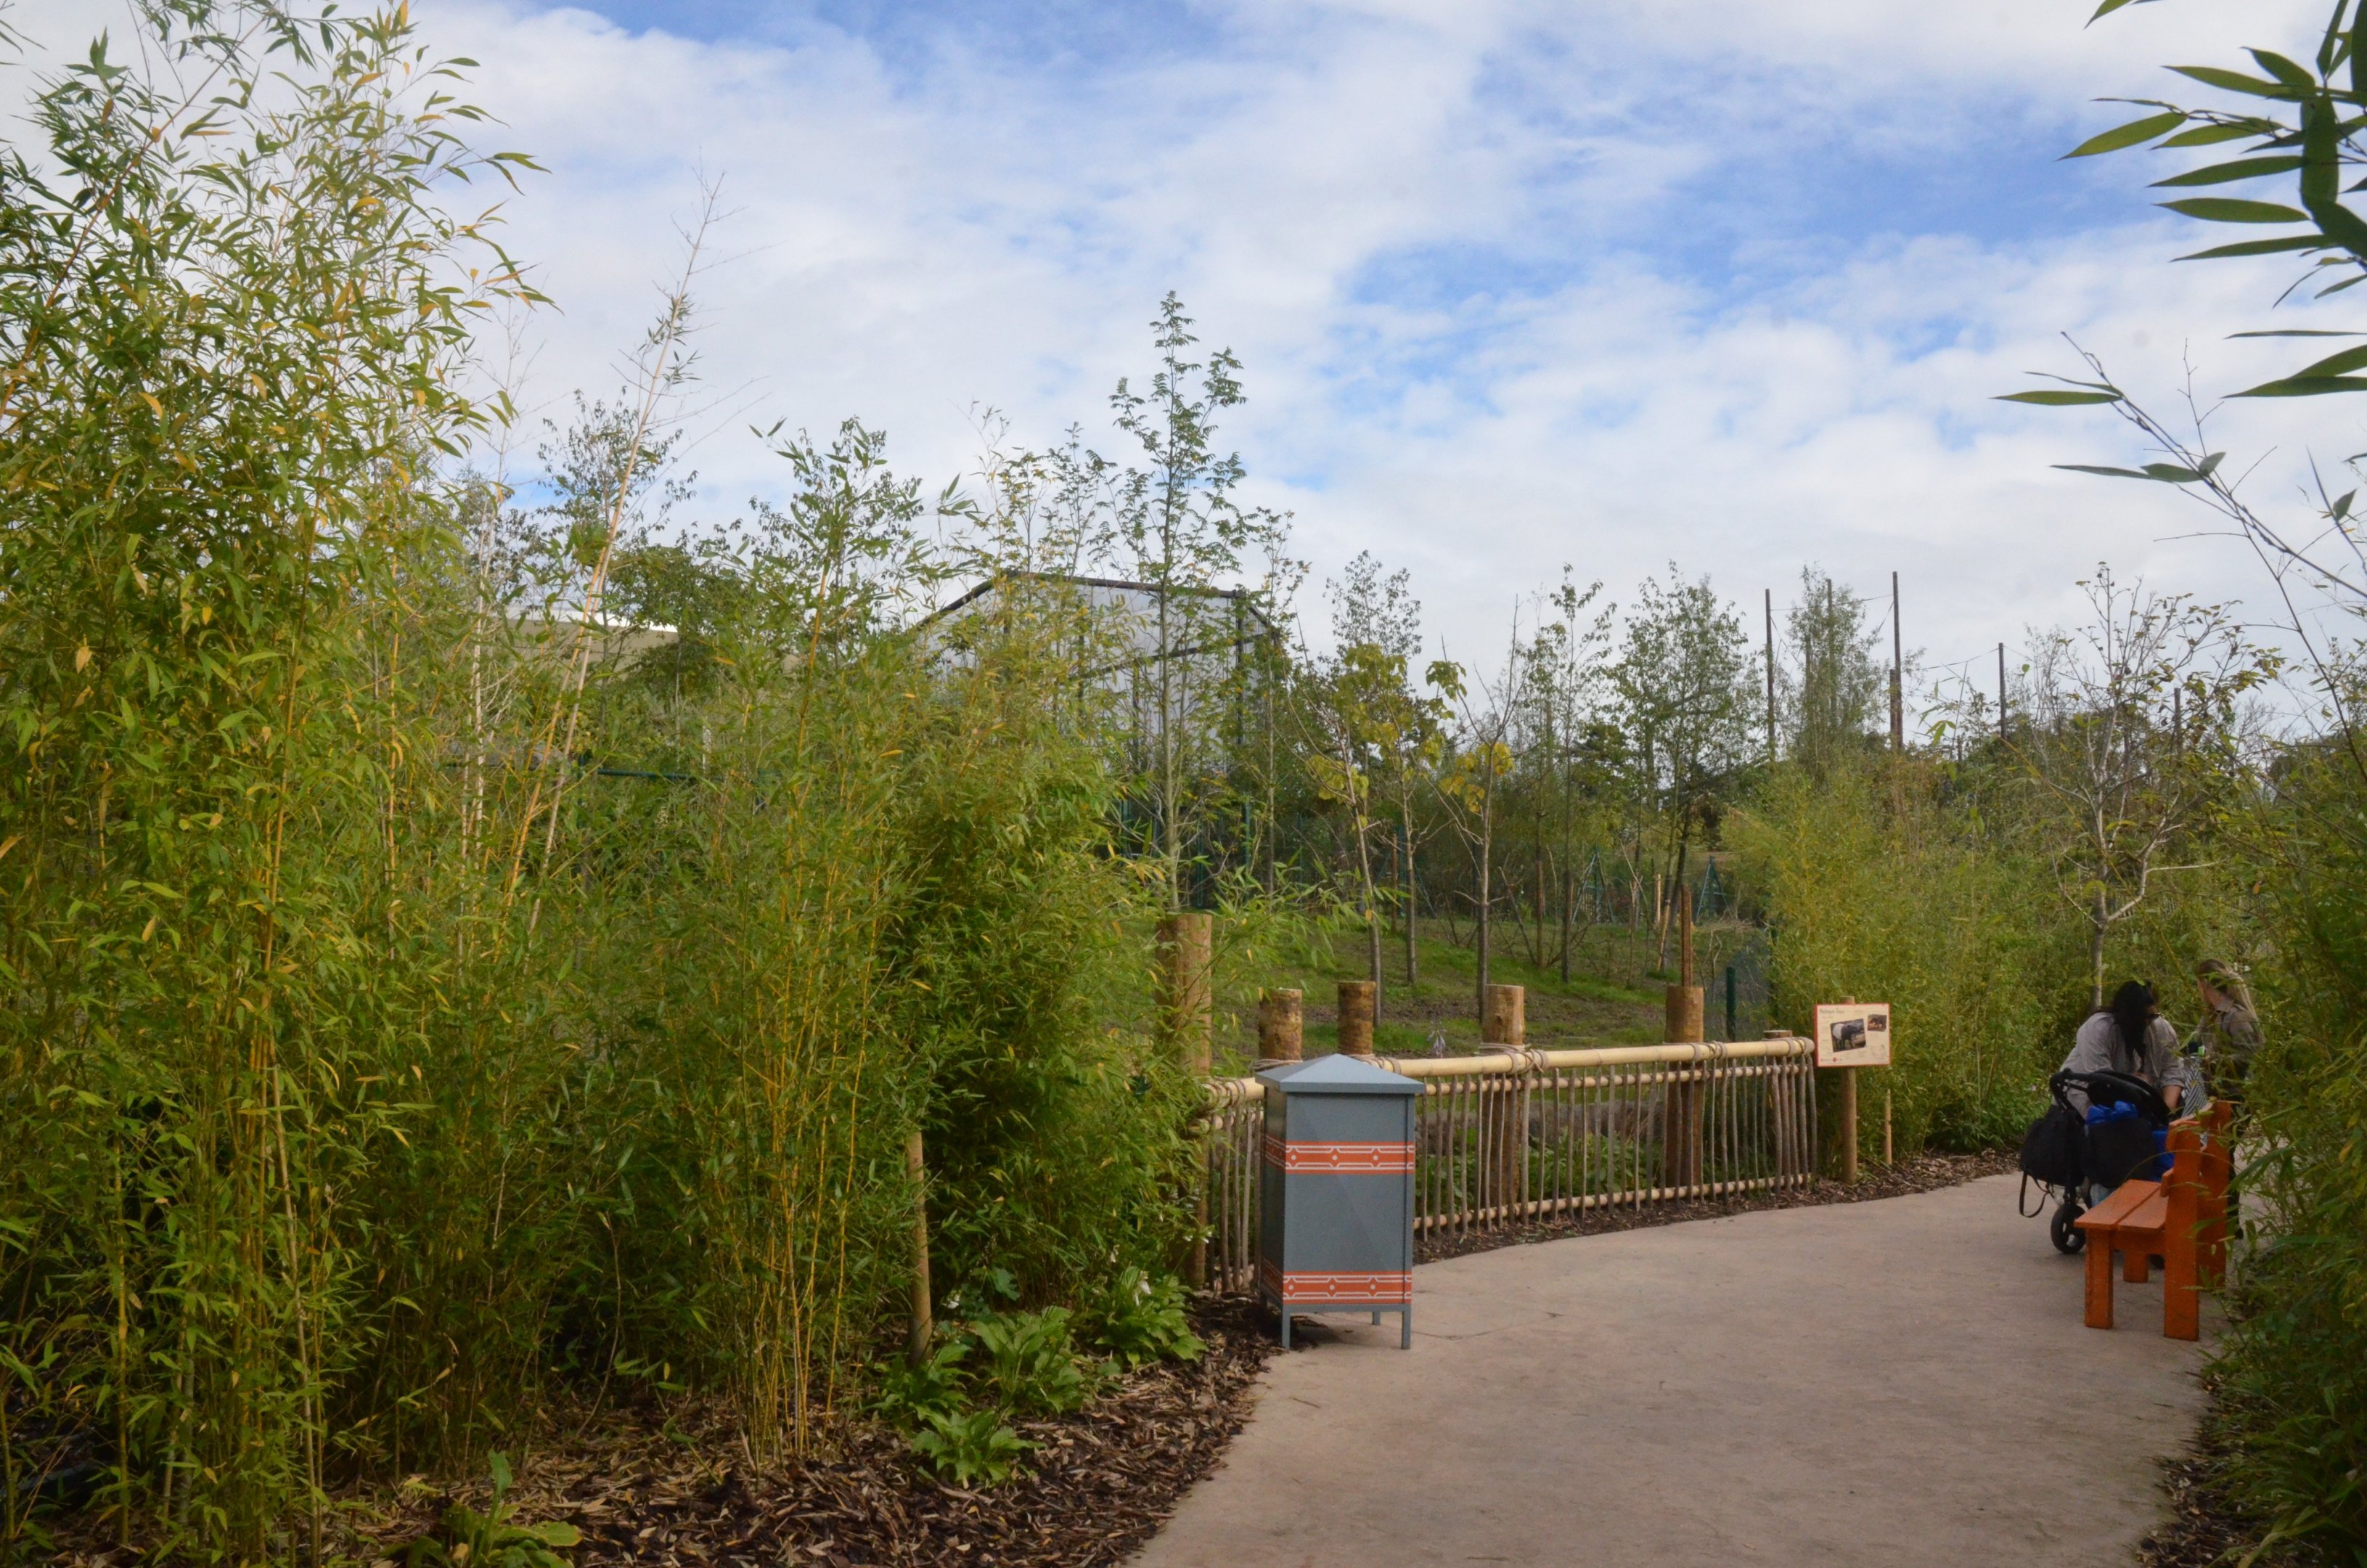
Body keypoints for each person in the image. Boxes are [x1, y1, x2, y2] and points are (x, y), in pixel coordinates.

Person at [2191, 958, 2260, 1228]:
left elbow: (2247, 1057)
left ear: (2205, 984)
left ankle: (2228, 1220)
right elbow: (2194, 1044)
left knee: (2222, 1155)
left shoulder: (2237, 1016)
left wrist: (2212, 1061)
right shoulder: (2211, 1015)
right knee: (2218, 1156)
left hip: (2236, 1097)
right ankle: (2222, 1217)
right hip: (2214, 1094)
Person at [2060, 979, 2191, 1116]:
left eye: (2152, 1016)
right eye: (2142, 1018)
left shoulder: (2162, 1030)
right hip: (2087, 1107)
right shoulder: (2099, 1029)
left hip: (2137, 1109)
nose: (2147, 1022)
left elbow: (2172, 1071)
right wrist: (2135, 1082)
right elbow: (2103, 1083)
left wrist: (2166, 1114)